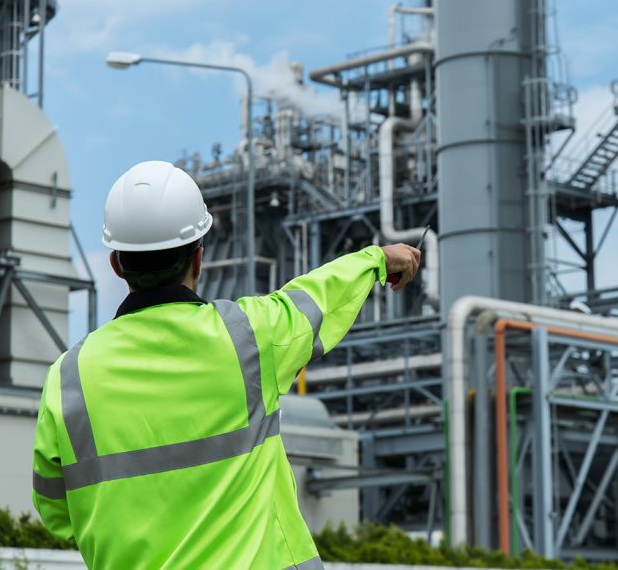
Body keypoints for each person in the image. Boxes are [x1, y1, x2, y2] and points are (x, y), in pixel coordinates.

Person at [31, 160, 421, 569]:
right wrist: (377, 259)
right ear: (198, 258)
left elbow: (56, 511)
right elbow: (316, 300)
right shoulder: (248, 337)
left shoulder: (68, 377)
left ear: (116, 265)